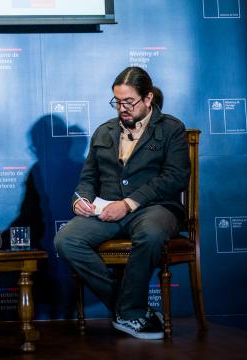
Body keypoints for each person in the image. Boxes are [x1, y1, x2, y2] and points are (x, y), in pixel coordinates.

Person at [54, 67, 190, 340]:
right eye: (117, 102)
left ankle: (128, 310)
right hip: (106, 209)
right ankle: (129, 310)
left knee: (150, 234)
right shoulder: (104, 131)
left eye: (129, 102)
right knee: (66, 240)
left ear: (148, 99)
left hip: (155, 208)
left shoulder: (172, 129)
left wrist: (129, 203)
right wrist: (79, 200)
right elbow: (88, 178)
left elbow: (175, 177)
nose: (122, 108)